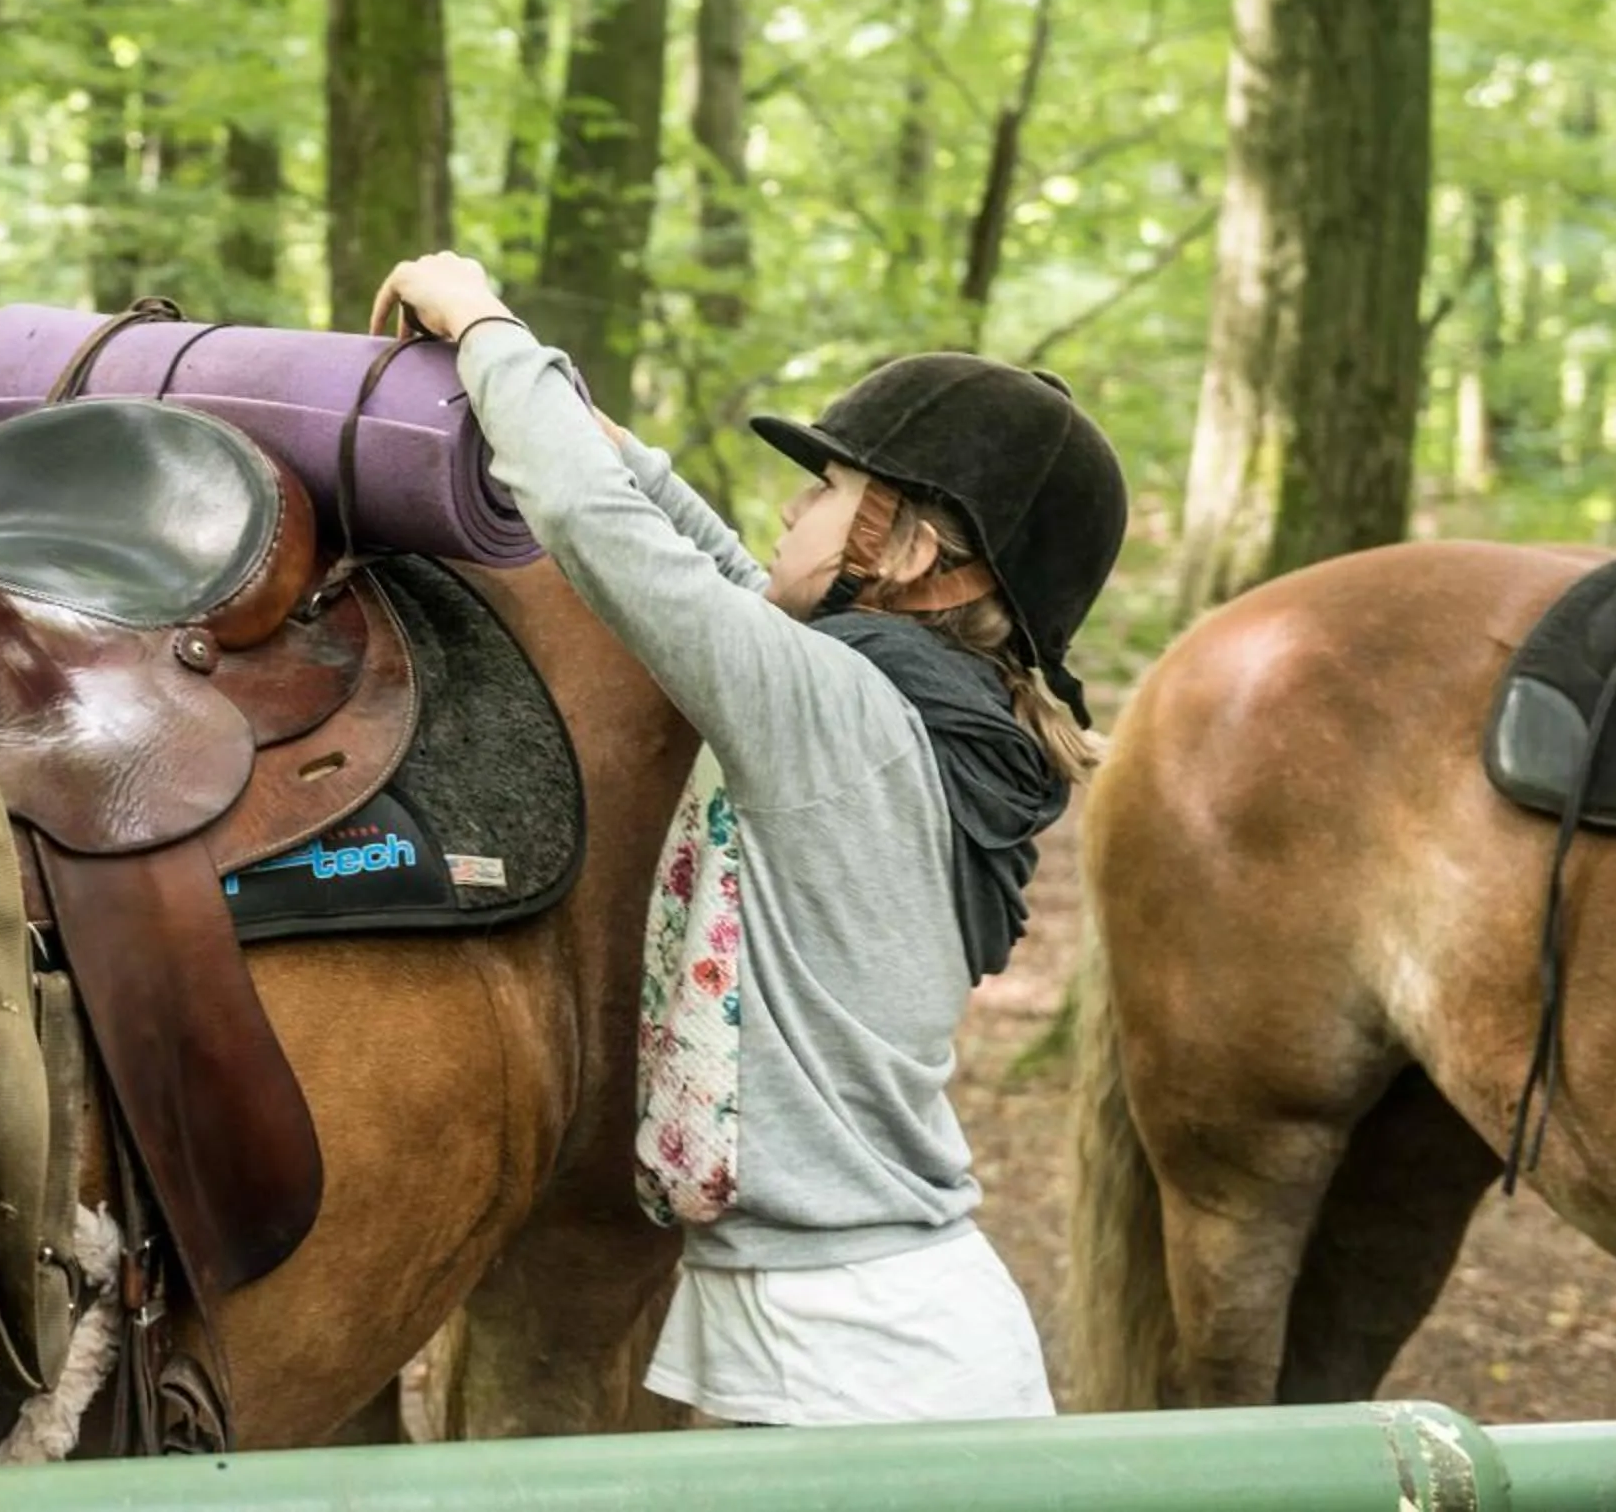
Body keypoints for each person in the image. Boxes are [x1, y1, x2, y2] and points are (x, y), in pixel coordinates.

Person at [369, 250, 1126, 1429]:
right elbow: (715, 565)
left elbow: (601, 532)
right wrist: (569, 412)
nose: (789, 509)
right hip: (878, 1329)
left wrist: (482, 319)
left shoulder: (839, 717)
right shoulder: (904, 712)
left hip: (863, 1357)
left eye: (826, 489)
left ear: (911, 550)